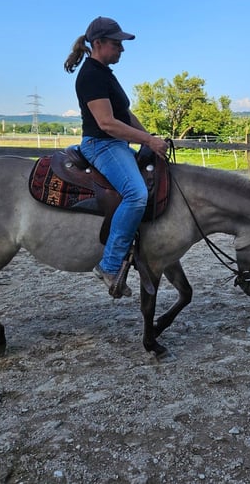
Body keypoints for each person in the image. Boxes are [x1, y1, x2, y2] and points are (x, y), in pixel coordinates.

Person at [64, 16, 168, 297]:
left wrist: (150, 140)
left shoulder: (105, 73)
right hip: (102, 145)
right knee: (136, 195)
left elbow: (125, 114)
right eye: (116, 44)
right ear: (98, 44)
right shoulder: (91, 75)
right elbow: (107, 123)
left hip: (116, 145)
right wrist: (147, 140)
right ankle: (109, 265)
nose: (122, 49)